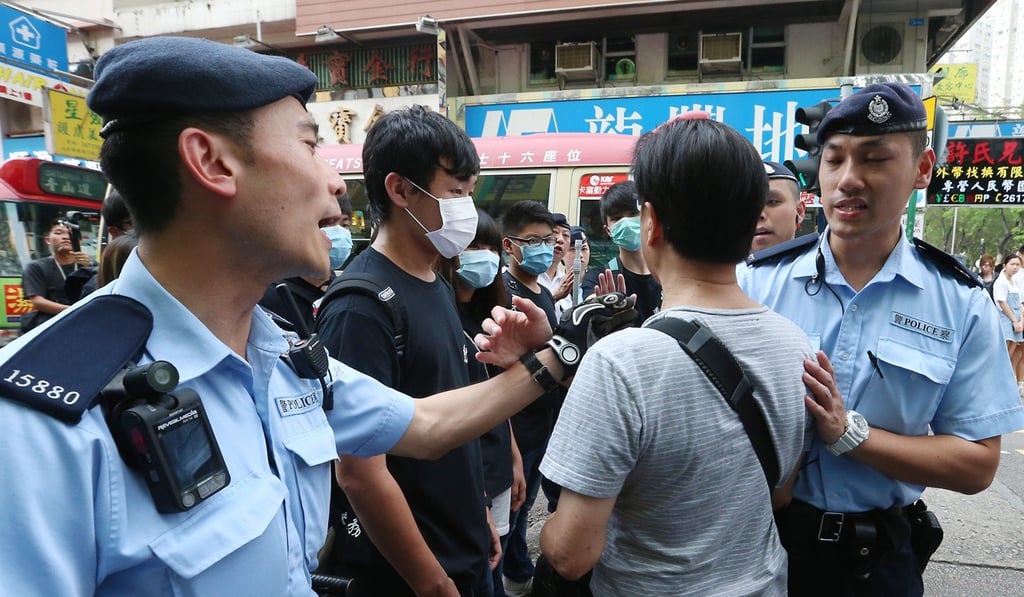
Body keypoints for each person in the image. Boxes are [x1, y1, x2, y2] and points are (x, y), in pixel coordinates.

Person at [0, 36, 635, 596]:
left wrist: (559, 356)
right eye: (310, 148)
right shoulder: (43, 424)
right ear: (213, 162)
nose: (336, 185)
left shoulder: (279, 354)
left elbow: (429, 424)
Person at [738, 82, 1024, 596]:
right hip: (756, 546)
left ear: (922, 168)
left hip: (877, 565)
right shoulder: (756, 283)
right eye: (835, 160)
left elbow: (978, 464)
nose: (849, 180)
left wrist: (850, 434)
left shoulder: (960, 304)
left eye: (874, 159)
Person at [539, 113, 811, 595]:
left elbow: (570, 554)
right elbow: (781, 493)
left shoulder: (622, 363)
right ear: (751, 222)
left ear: (652, 223)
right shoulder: (797, 344)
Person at [314, 105, 496, 597]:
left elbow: (448, 406)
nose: (467, 208)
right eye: (455, 192)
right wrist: (430, 580)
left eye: (470, 193)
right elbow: (358, 472)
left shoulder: (434, 280)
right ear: (399, 190)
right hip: (412, 577)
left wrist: (475, 513)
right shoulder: (361, 306)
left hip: (463, 550)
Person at [437, 208, 527, 596]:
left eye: (491, 247)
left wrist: (514, 456)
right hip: (466, 473)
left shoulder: (492, 315)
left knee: (497, 561)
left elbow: (498, 393)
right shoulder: (439, 313)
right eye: (474, 246)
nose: (484, 256)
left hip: (497, 463)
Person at [499, 200, 561, 596]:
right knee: (510, 511)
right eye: (533, 240)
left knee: (526, 505)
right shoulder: (504, 292)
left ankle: (518, 570)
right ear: (510, 245)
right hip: (515, 427)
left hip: (544, 424)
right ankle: (511, 575)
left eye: (550, 240)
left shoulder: (544, 292)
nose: (545, 247)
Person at [581, 181, 662, 324]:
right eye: (617, 218)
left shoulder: (669, 275)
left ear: (649, 218)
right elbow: (591, 304)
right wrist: (602, 309)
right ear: (608, 230)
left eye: (633, 214)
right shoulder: (599, 278)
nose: (626, 221)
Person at [19, 219, 95, 332]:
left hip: (86, 324)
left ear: (79, 241)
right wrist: (73, 310)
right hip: (50, 325)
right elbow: (38, 301)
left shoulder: (92, 267)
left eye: (71, 234)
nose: (65, 237)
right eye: (58, 233)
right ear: (48, 239)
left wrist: (90, 267)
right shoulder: (35, 267)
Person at [751, 160, 807, 253]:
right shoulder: (724, 266)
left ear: (799, 211)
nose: (759, 215)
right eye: (748, 205)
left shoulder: (820, 265)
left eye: (772, 202)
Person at [993, 254, 1024, 398]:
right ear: (1005, 265)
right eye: (1012, 264)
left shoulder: (1015, 283)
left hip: (1016, 321)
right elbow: (1002, 302)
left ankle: (1006, 383)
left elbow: (1020, 304)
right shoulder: (1001, 282)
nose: (1015, 267)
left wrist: (1020, 321)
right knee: (1004, 352)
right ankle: (996, 382)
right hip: (1006, 320)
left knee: (1012, 351)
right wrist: (1013, 320)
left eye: (1018, 264)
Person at [553, 226, 590, 317]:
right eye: (573, 250)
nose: (580, 255)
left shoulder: (597, 282)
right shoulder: (555, 284)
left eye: (584, 249)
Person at [538, 212, 573, 304]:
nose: (560, 239)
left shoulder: (565, 282)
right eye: (554, 233)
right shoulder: (527, 275)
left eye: (566, 235)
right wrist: (555, 295)